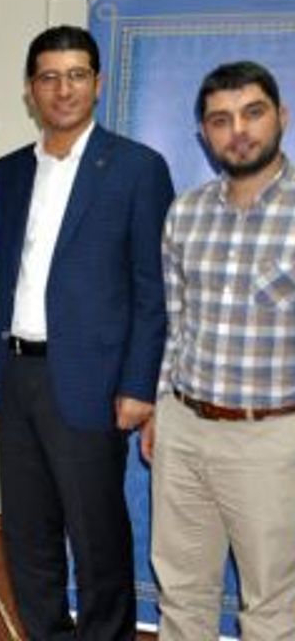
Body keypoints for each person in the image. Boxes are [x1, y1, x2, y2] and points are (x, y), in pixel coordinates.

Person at [0, 25, 173, 640]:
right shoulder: (10, 171)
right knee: (27, 532)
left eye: (77, 75)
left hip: (94, 380)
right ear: (30, 90)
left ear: (98, 83)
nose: (64, 89)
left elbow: (153, 289)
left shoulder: (137, 168)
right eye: (49, 77)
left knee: (96, 536)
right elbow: (0, 277)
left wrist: (139, 384)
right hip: (17, 376)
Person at [147, 61, 295, 641]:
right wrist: (162, 408)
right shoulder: (185, 213)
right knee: (182, 593)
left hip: (272, 440)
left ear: (281, 117)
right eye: (220, 119)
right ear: (203, 134)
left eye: (252, 113)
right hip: (184, 431)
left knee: (272, 605)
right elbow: (176, 322)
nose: (239, 131)